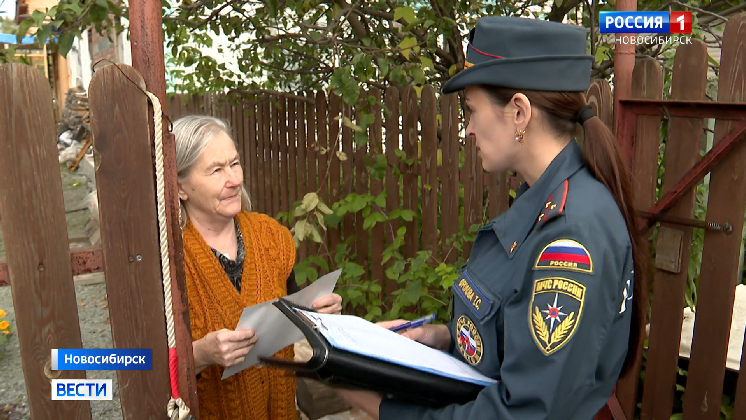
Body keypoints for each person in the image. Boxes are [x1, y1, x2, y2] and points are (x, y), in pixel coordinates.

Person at [338, 16, 646, 420]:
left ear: (519, 112)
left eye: (471, 109)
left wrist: (381, 407)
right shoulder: (540, 200)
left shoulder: (570, 238)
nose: (466, 129)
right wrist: (442, 337)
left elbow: (524, 412)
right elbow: (510, 332)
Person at [172, 115, 343, 420]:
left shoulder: (271, 237)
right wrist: (200, 355)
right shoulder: (169, 260)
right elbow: (140, 363)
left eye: (234, 164)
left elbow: (290, 315)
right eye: (216, 170)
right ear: (181, 187)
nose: (235, 179)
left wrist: (320, 316)